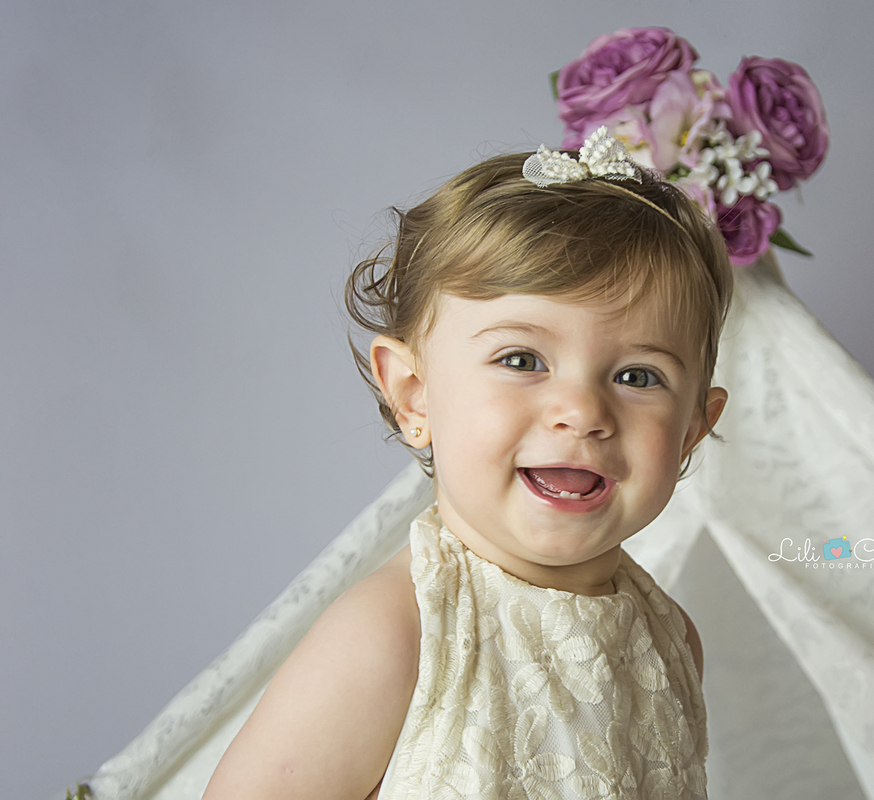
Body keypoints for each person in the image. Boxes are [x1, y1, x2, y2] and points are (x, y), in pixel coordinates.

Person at [199, 131, 732, 800]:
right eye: (522, 360)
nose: (581, 410)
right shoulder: (396, 632)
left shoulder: (671, 642)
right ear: (414, 394)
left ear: (691, 430)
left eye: (636, 375)